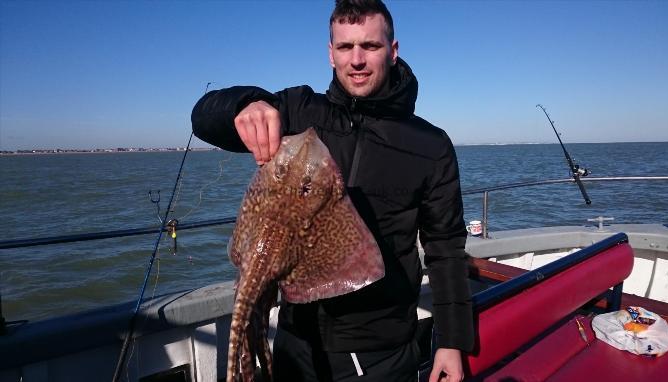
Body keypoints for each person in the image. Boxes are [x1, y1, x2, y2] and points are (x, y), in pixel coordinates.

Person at [191, 1, 473, 381]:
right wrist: (245, 104)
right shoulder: (298, 111)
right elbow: (204, 118)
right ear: (330, 54)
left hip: (380, 351)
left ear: (392, 51)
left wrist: (450, 341)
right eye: (345, 47)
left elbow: (446, 247)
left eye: (370, 46)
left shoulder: (431, 144)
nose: (356, 59)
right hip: (296, 338)